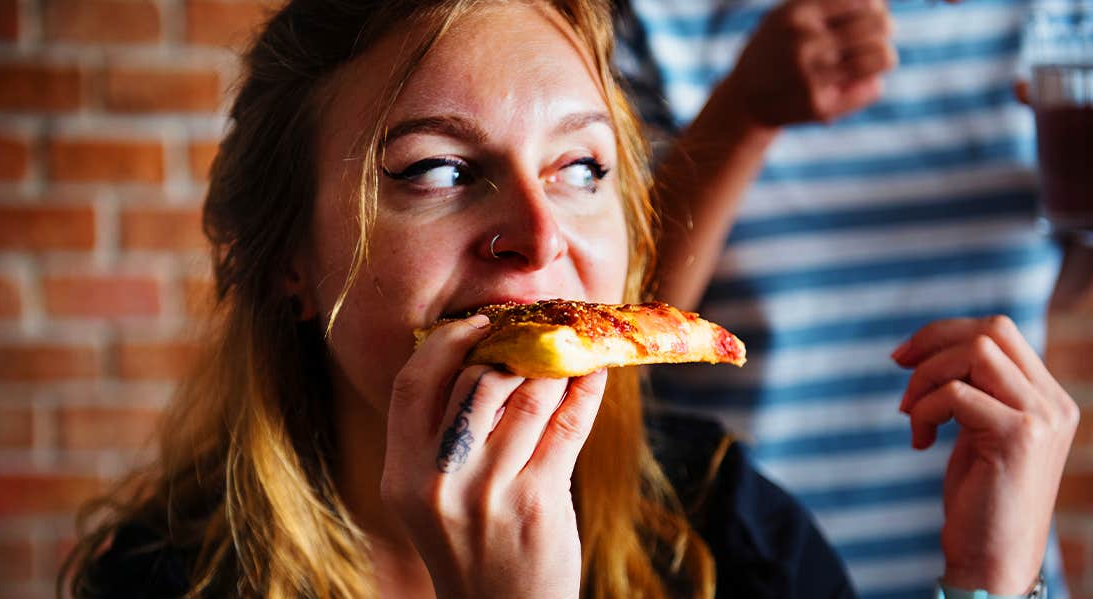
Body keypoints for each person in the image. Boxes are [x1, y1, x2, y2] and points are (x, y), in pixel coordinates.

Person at [59, 1, 1077, 597]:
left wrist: (989, 580)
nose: (544, 237)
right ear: (289, 252)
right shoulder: (153, 580)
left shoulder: (726, 530)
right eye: (438, 170)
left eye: (583, 168)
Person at [613, 0, 1072, 596]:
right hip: (749, 564)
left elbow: (1063, 279)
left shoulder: (1058, 17)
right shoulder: (651, 21)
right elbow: (623, 331)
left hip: (1004, 565)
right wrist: (741, 114)